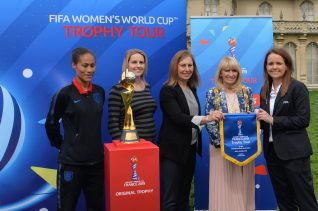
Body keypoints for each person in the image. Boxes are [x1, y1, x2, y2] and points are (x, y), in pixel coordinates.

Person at [256, 47, 318, 211]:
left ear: (286, 65)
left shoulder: (297, 87)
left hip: (294, 154)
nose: (274, 67)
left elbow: (303, 120)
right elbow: (264, 122)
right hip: (272, 153)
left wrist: (273, 120)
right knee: (284, 201)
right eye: (270, 64)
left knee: (305, 199)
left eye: (278, 63)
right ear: (266, 67)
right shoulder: (265, 90)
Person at [45, 47, 105, 211]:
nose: (89, 70)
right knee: (66, 208)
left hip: (97, 163)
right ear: (74, 65)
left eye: (92, 65)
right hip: (71, 165)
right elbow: (51, 123)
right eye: (84, 65)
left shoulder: (99, 92)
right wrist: (64, 146)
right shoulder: (64, 94)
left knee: (97, 207)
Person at [158, 50, 216, 211]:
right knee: (171, 199)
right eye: (183, 65)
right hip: (172, 151)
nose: (187, 69)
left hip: (189, 149)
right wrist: (206, 119)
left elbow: (193, 119)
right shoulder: (167, 90)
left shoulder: (192, 89)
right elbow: (178, 118)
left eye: (190, 65)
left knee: (184, 196)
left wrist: (206, 120)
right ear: (175, 68)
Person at [205, 56, 255, 211]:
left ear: (239, 72)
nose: (231, 74)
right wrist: (223, 145)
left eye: (234, 70)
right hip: (220, 149)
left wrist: (245, 143)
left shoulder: (247, 92)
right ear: (220, 73)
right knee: (223, 186)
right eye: (227, 70)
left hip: (244, 148)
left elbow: (251, 119)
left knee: (242, 186)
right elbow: (210, 120)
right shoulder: (212, 93)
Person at [108, 49, 157, 142]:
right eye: (134, 62)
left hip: (150, 144)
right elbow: (113, 124)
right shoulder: (118, 89)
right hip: (129, 145)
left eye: (141, 62)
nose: (138, 65)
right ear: (127, 65)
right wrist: (122, 145)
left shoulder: (147, 87)